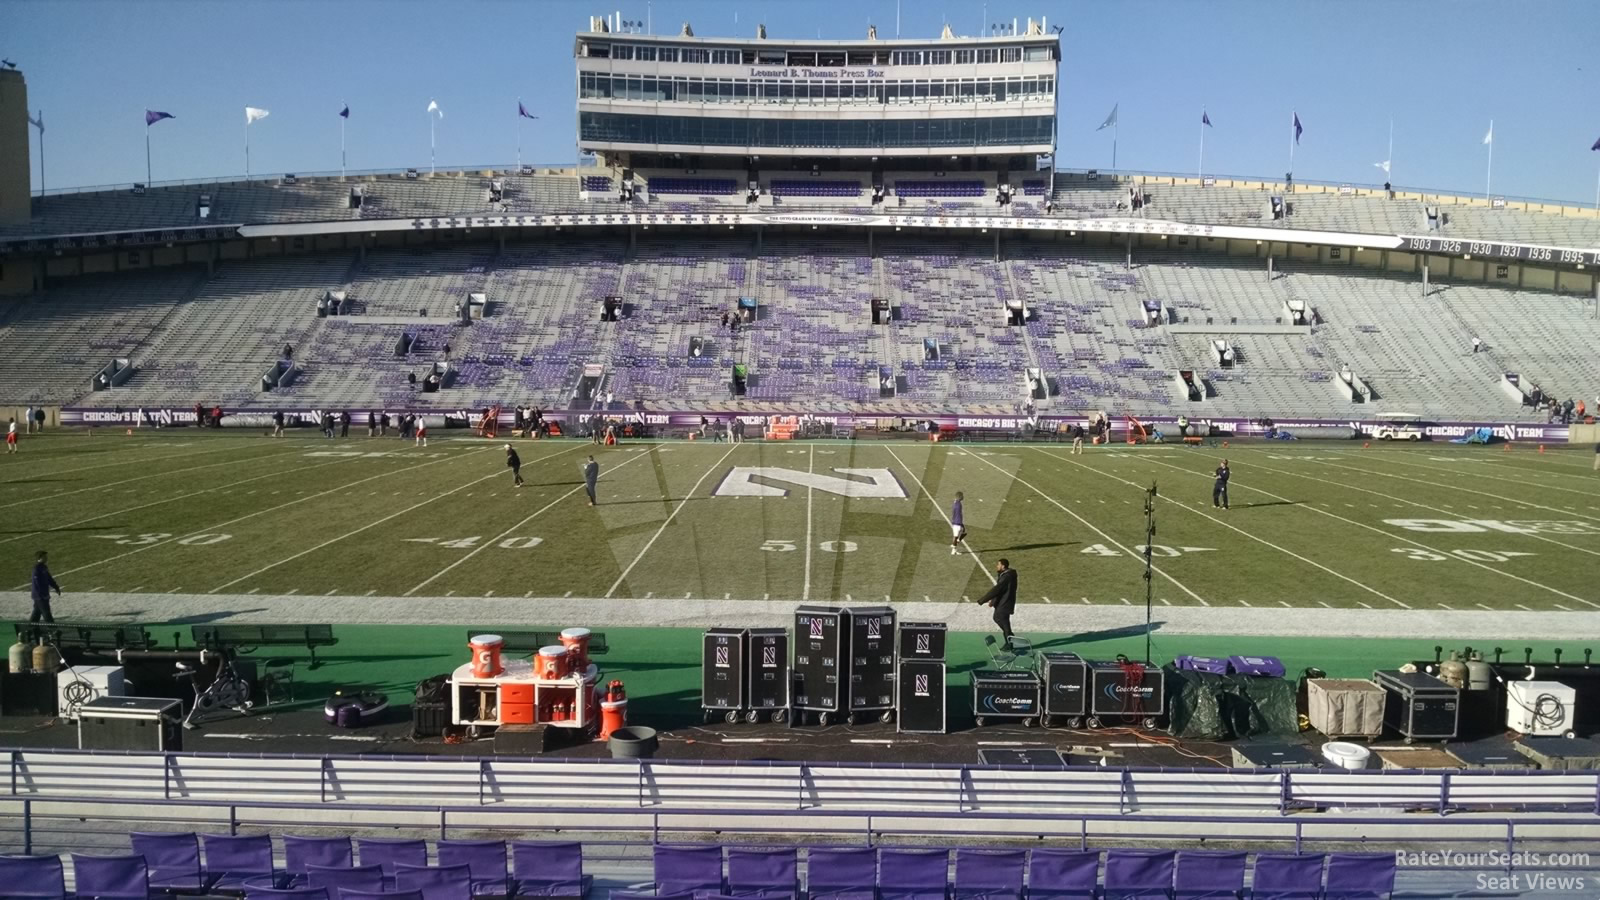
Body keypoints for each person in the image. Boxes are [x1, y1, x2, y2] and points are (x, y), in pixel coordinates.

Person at [975, 558, 1018, 651]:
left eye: (998, 565)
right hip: (1004, 602)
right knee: (999, 619)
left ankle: (1009, 641)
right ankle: (1009, 637)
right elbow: (1001, 591)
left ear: (1003, 566)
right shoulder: (1007, 575)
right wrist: (993, 601)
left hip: (1005, 603)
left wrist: (983, 600)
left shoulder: (1006, 577)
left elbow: (997, 589)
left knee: (1003, 621)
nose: (997, 566)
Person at [30, 551, 60, 624]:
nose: (46, 558)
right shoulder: (36, 569)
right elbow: (37, 584)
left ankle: (30, 628)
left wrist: (56, 587)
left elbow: (49, 578)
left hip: (43, 595)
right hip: (39, 596)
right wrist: (41, 595)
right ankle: (52, 630)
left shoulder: (44, 567)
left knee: (36, 613)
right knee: (46, 613)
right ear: (39, 558)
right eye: (44, 557)